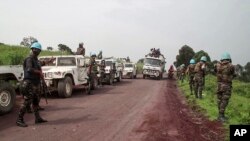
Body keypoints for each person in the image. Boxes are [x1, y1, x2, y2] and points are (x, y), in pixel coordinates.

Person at [16, 42, 53, 127]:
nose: (38, 51)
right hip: (29, 83)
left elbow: (41, 63)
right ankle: (19, 119)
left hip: (35, 83)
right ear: (32, 49)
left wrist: (49, 61)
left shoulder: (36, 59)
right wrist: (39, 72)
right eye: (36, 50)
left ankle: (37, 118)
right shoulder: (29, 59)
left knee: (36, 102)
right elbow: (29, 69)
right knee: (27, 102)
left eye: (39, 50)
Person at [214, 52, 235, 122]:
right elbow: (233, 74)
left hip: (219, 85)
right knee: (224, 100)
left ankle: (220, 115)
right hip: (226, 85)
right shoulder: (231, 66)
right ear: (229, 58)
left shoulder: (217, 65)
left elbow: (215, 71)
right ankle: (221, 116)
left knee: (219, 99)